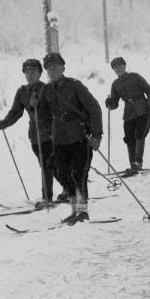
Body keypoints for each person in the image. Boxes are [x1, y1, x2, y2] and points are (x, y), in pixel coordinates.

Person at [40, 52, 104, 224]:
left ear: (63, 68)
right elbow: (42, 114)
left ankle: (83, 212)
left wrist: (96, 135)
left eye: (55, 67)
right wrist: (34, 105)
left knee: (78, 174)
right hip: (59, 140)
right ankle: (74, 210)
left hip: (79, 137)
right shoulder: (46, 90)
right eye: (49, 69)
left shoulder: (75, 86)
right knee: (64, 174)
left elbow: (94, 108)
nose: (52, 71)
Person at [0, 58, 65, 208]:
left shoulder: (48, 88)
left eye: (33, 71)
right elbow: (16, 112)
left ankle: (47, 198)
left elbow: (57, 110)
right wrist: (5, 123)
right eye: (27, 72)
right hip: (35, 135)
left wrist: (39, 104)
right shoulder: (22, 92)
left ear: (40, 73)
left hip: (50, 133)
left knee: (48, 165)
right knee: (49, 165)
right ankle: (68, 189)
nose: (30, 74)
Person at [105, 57, 150, 176]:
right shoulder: (115, 84)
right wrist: (109, 103)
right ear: (113, 70)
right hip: (128, 113)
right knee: (129, 138)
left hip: (142, 108)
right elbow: (115, 103)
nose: (118, 68)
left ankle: (138, 162)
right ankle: (132, 163)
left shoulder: (135, 77)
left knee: (140, 134)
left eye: (120, 65)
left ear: (125, 66)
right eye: (115, 67)